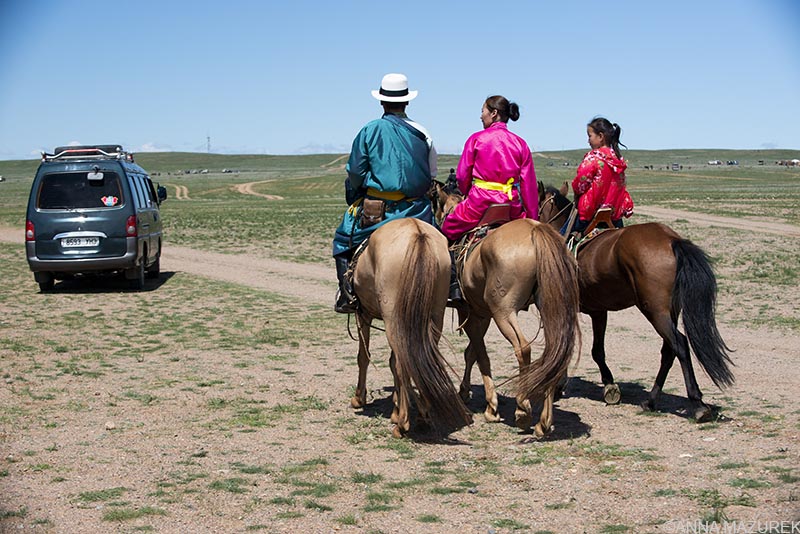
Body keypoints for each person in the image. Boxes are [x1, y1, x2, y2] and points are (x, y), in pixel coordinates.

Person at [332, 73, 438, 313]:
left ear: (381, 102)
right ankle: (451, 282)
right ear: (407, 101)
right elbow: (431, 173)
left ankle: (347, 294)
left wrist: (360, 187)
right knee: (440, 242)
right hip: (418, 209)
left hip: (380, 211)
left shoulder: (369, 130)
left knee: (342, 240)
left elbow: (355, 170)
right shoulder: (423, 132)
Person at [440, 95, 538, 304]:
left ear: (494, 113)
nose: (480, 115)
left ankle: (453, 285)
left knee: (446, 231)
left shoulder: (477, 139)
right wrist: (532, 218)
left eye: (483, 110)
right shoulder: (520, 143)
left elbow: (462, 176)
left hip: (479, 203)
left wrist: (467, 193)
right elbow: (529, 185)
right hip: (510, 205)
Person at [563, 117, 634, 236]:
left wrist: (576, 190)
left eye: (590, 136)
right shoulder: (618, 160)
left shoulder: (593, 158)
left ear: (600, 137)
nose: (588, 140)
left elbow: (580, 183)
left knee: (561, 239)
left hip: (590, 213)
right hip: (614, 214)